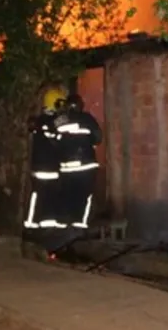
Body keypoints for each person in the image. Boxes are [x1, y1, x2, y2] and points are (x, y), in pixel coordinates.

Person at [52, 94, 103, 230]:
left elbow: (53, 142)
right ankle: (80, 224)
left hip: (66, 168)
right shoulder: (88, 119)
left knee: (67, 195)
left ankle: (65, 225)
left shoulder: (60, 120)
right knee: (84, 196)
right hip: (85, 166)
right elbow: (98, 138)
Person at [23, 87, 70, 231]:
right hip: (48, 168)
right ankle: (35, 225)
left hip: (43, 167)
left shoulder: (40, 121)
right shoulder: (53, 122)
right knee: (44, 198)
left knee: (42, 198)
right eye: (61, 103)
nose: (63, 106)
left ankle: (39, 225)